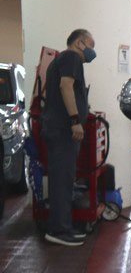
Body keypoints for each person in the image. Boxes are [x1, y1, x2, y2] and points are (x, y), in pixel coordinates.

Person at [41, 28, 95, 247]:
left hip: (60, 129)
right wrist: (75, 120)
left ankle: (63, 227)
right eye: (90, 44)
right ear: (79, 43)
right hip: (63, 130)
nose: (92, 50)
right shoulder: (71, 57)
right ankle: (59, 230)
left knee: (64, 179)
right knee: (62, 180)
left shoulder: (64, 59)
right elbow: (66, 86)